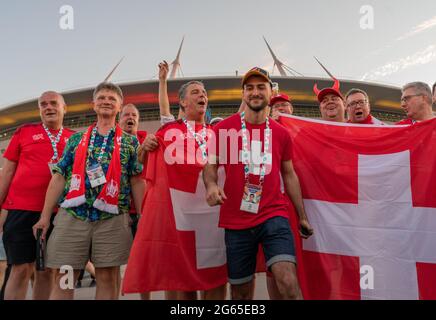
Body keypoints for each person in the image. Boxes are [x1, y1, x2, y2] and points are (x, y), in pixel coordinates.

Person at [203, 67, 313, 300]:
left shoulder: (281, 133)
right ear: (243, 94)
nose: (255, 92)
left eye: (260, 87)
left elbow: (289, 173)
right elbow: (210, 166)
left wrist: (301, 215)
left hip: (274, 215)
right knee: (241, 293)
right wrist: (211, 186)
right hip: (236, 220)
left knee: (288, 282)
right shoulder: (223, 129)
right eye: (249, 88)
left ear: (270, 93)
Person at [33, 82, 145, 300]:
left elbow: (137, 180)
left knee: (107, 278)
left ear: (119, 106)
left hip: (112, 220)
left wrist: (142, 216)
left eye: (112, 99)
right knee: (64, 277)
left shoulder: (131, 142)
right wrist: (45, 217)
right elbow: (58, 177)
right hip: (73, 218)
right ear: (94, 105)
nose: (106, 102)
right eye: (102, 98)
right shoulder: (76, 139)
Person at [138, 80, 227, 300]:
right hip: (181, 216)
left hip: (213, 215)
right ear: (183, 102)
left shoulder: (217, 133)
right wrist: (144, 146)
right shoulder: (169, 130)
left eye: (204, 92)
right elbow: (143, 162)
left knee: (215, 274)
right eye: (196, 92)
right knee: (182, 279)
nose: (202, 95)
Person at [0, 91, 74, 300]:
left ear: (64, 108)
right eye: (43, 104)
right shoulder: (24, 132)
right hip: (21, 210)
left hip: (58, 213)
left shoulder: (74, 138)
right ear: (39, 109)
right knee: (20, 269)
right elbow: (7, 172)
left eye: (53, 103)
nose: (48, 107)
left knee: (47, 271)